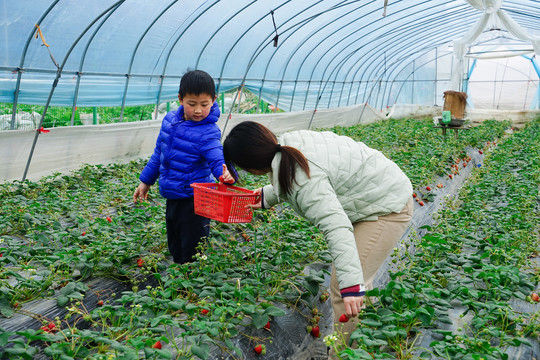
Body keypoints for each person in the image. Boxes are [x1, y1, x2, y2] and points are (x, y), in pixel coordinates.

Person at [222, 121, 413, 349]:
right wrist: (264, 196)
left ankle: (344, 353)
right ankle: (364, 336)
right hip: (372, 193)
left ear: (251, 167)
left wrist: (350, 285)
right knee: (353, 283)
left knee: (344, 289)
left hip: (388, 205)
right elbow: (299, 179)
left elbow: (335, 225)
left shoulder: (300, 178)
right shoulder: (288, 144)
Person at [133, 70, 233, 264]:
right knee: (175, 241)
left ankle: (192, 282)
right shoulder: (169, 122)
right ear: (180, 99)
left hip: (197, 199)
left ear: (213, 100)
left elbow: (216, 159)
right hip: (173, 195)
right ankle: (180, 277)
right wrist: (145, 181)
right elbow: (158, 154)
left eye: (204, 105)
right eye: (192, 104)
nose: (198, 111)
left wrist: (225, 173)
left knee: (193, 246)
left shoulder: (208, 132)